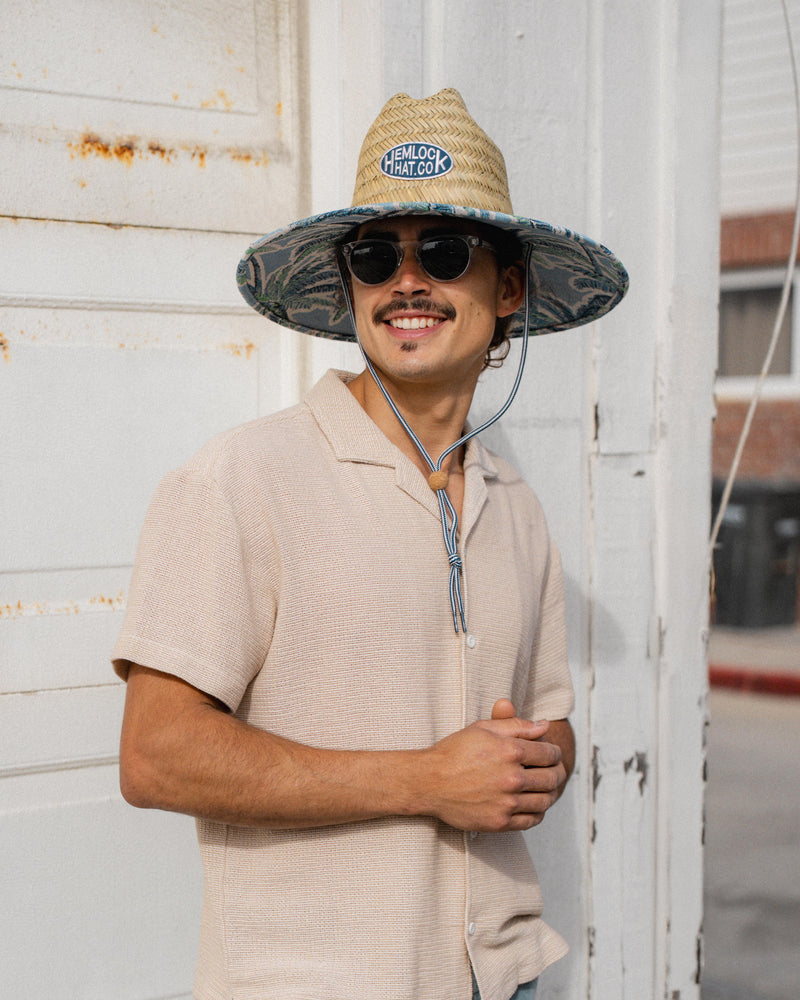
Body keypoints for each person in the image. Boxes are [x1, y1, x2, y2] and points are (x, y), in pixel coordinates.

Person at [114, 89, 628, 1000]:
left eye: (444, 252)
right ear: (350, 284)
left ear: (509, 288)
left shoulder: (517, 506)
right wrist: (427, 779)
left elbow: (550, 720)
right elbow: (157, 754)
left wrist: (543, 761)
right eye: (375, 256)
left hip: (500, 976)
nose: (407, 282)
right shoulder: (241, 478)